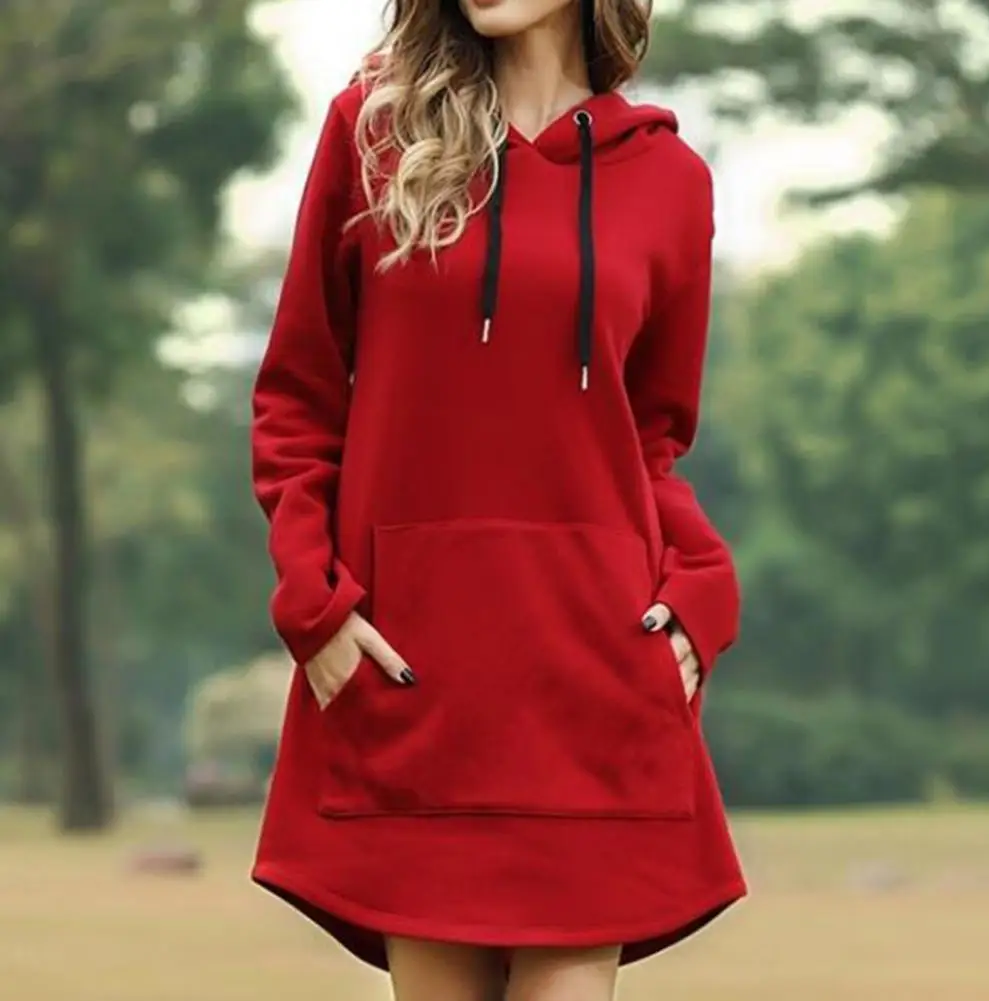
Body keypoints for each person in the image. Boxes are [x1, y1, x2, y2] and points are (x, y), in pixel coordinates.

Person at [249, 1, 746, 998]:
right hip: (417, 671)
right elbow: (298, 397)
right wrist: (314, 601)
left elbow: (651, 438)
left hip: (592, 671)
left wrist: (701, 586)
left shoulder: (669, 180)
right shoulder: (373, 134)